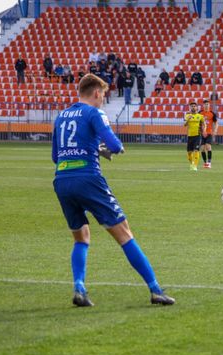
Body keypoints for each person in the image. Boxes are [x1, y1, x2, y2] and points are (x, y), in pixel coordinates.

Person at [51, 73, 175, 307]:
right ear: (97, 93)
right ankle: (155, 289)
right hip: (88, 179)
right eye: (103, 96)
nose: (103, 101)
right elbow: (115, 145)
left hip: (62, 181)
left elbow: (56, 156)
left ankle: (79, 287)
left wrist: (93, 147)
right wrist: (113, 148)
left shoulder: (61, 116)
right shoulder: (94, 113)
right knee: (124, 233)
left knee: (81, 237)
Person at [184, 101, 205, 171]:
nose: (193, 107)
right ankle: (192, 164)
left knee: (196, 150)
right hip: (190, 136)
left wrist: (204, 130)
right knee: (189, 153)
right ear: (190, 107)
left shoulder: (200, 116)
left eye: (194, 106)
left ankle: (195, 166)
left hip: (197, 135)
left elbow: (203, 124)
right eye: (192, 106)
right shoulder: (187, 115)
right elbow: (184, 125)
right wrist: (188, 119)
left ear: (197, 107)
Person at [199, 99, 218, 168]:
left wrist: (215, 130)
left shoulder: (212, 113)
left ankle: (209, 162)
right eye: (205, 104)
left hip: (209, 132)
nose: (206, 105)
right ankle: (205, 162)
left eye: (207, 104)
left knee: (208, 146)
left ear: (209, 105)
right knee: (202, 149)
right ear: (203, 105)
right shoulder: (200, 113)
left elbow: (216, 122)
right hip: (202, 133)